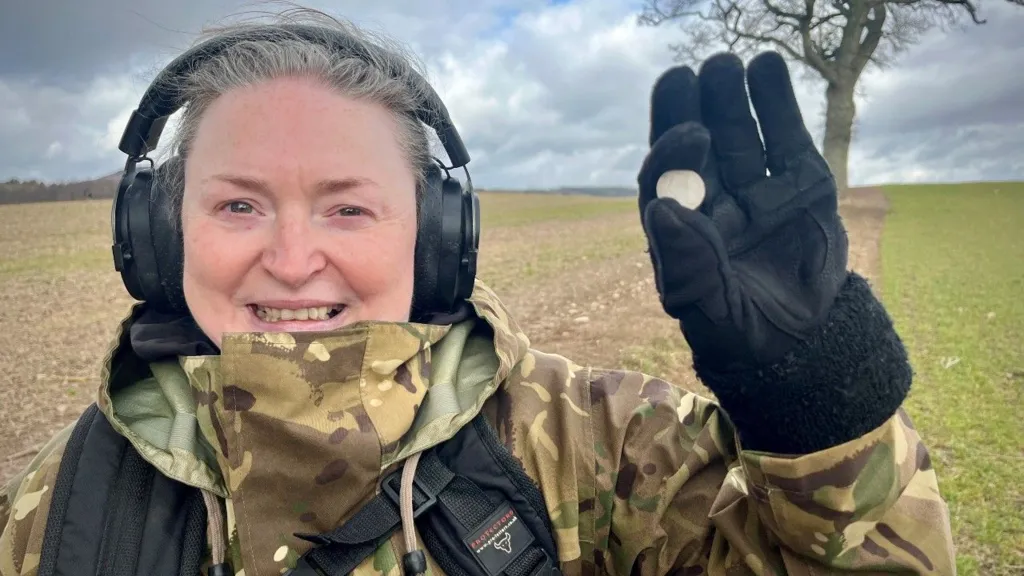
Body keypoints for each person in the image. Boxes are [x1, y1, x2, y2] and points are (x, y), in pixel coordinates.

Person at [0, 7, 955, 576]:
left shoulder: (588, 444)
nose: (291, 260)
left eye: (348, 210)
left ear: (439, 239)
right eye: (240, 204)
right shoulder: (64, 500)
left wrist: (817, 397)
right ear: (158, 234)